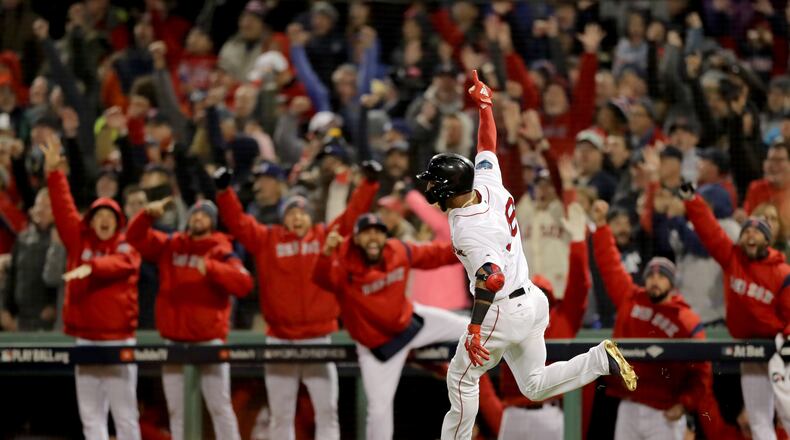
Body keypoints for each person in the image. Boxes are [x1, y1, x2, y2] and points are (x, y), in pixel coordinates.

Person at [416, 71, 636, 440]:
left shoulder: (468, 228)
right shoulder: (487, 184)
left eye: (433, 182)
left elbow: (491, 277)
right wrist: (485, 105)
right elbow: (487, 145)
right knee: (533, 384)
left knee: (460, 377)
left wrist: (474, 328)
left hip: (500, 307)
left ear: (447, 188)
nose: (429, 187)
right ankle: (599, 359)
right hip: (533, 302)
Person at [214, 162, 381, 440]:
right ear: (283, 218)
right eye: (291, 213)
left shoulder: (325, 236)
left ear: (310, 216)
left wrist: (369, 184)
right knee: (281, 414)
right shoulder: (267, 239)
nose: (297, 218)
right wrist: (223, 192)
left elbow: (353, 216)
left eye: (302, 212)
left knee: (327, 411)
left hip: (319, 337)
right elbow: (239, 223)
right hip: (280, 339)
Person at [313, 213, 503, 440]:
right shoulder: (344, 267)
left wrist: (470, 247)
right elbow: (322, 279)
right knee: (378, 411)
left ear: (386, 236)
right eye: (366, 233)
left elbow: (435, 255)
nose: (373, 238)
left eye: (378, 232)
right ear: (355, 239)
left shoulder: (398, 251)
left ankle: (465, 376)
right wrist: (325, 255)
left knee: (469, 326)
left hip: (411, 323)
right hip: (378, 348)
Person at [591, 199, 728, 440]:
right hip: (629, 404)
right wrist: (602, 226)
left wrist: (685, 404)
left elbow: (702, 374)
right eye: (651, 275)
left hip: (665, 411)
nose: (655, 279)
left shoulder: (686, 320)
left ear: (671, 284)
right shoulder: (631, 297)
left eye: (662, 276)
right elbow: (610, 264)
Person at [40, 133, 142, 440]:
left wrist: (91, 267)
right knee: (91, 416)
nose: (104, 220)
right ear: (92, 220)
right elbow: (63, 209)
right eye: (99, 215)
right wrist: (55, 174)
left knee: (126, 416)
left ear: (118, 220)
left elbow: (124, 266)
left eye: (110, 215)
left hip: (118, 339)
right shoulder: (78, 241)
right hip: (85, 339)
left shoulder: (126, 245)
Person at [126, 198, 252, 440]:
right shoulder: (172, 244)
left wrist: (214, 269)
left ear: (212, 222)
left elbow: (244, 283)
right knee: (177, 409)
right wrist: (146, 216)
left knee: (220, 407)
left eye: (204, 215)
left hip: (209, 341)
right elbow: (135, 238)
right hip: (175, 341)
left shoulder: (221, 249)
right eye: (195, 214)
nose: (198, 218)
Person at [680, 182, 790, 440]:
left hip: (780, 348)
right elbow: (710, 231)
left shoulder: (782, 272)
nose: (750, 236)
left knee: (787, 413)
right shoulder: (733, 258)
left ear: (768, 238)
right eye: (746, 231)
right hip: (748, 347)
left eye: (757, 232)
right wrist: (692, 200)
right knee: (758, 418)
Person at [498, 202, 591, 440]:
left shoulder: (563, 317)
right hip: (513, 411)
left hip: (549, 414)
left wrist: (579, 242)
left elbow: (580, 284)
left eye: (543, 294)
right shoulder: (512, 314)